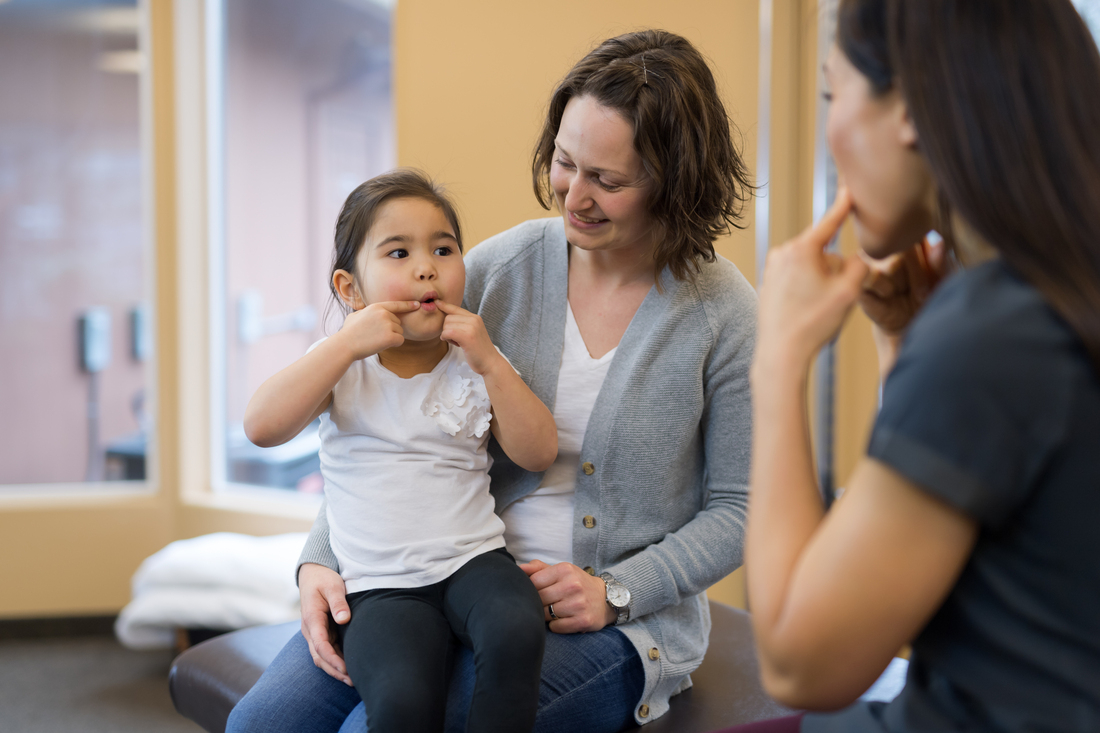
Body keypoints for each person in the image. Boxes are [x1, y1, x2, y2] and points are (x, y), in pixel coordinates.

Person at [226, 29, 757, 733]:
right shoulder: (497, 269)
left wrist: (619, 591)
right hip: (425, 575)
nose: (575, 195)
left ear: (675, 179)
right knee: (261, 725)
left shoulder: (722, 311)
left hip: (607, 625)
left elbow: (739, 507)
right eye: (566, 162)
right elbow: (393, 419)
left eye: (610, 179)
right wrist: (320, 558)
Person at [719, 1, 1100, 731]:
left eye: (835, 95)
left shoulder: (991, 331)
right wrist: (902, 342)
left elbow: (801, 662)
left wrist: (778, 358)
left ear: (911, 112)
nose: (831, 134)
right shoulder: (1045, 298)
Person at [242, 169, 555, 732]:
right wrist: (341, 346)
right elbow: (262, 427)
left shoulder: (476, 357)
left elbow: (536, 452)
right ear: (349, 289)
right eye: (398, 252)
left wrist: (489, 361)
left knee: (517, 629)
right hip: (380, 588)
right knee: (402, 701)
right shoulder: (339, 364)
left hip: (474, 562)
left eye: (443, 248)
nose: (425, 267)